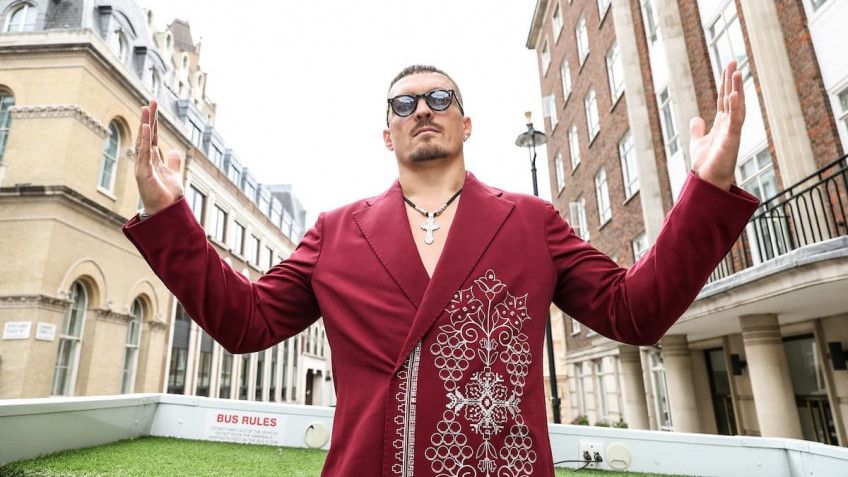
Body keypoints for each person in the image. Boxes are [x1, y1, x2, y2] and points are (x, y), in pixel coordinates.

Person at [123, 61, 759, 476]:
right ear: (388, 134)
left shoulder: (531, 221)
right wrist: (169, 216)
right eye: (403, 104)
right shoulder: (335, 231)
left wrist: (706, 189)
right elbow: (245, 322)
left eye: (439, 98)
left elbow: (634, 311)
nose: (421, 109)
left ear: (466, 122)